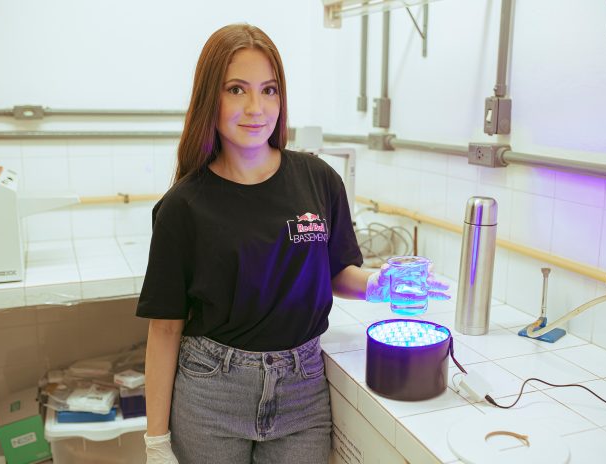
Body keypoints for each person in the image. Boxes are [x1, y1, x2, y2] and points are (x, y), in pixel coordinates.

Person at [136, 23, 449, 464]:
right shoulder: (184, 206)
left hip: (302, 390)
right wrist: (156, 441)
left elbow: (340, 271)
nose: (256, 108)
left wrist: (380, 284)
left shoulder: (317, 180)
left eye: (269, 90)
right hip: (212, 393)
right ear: (211, 97)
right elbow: (165, 328)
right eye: (236, 89)